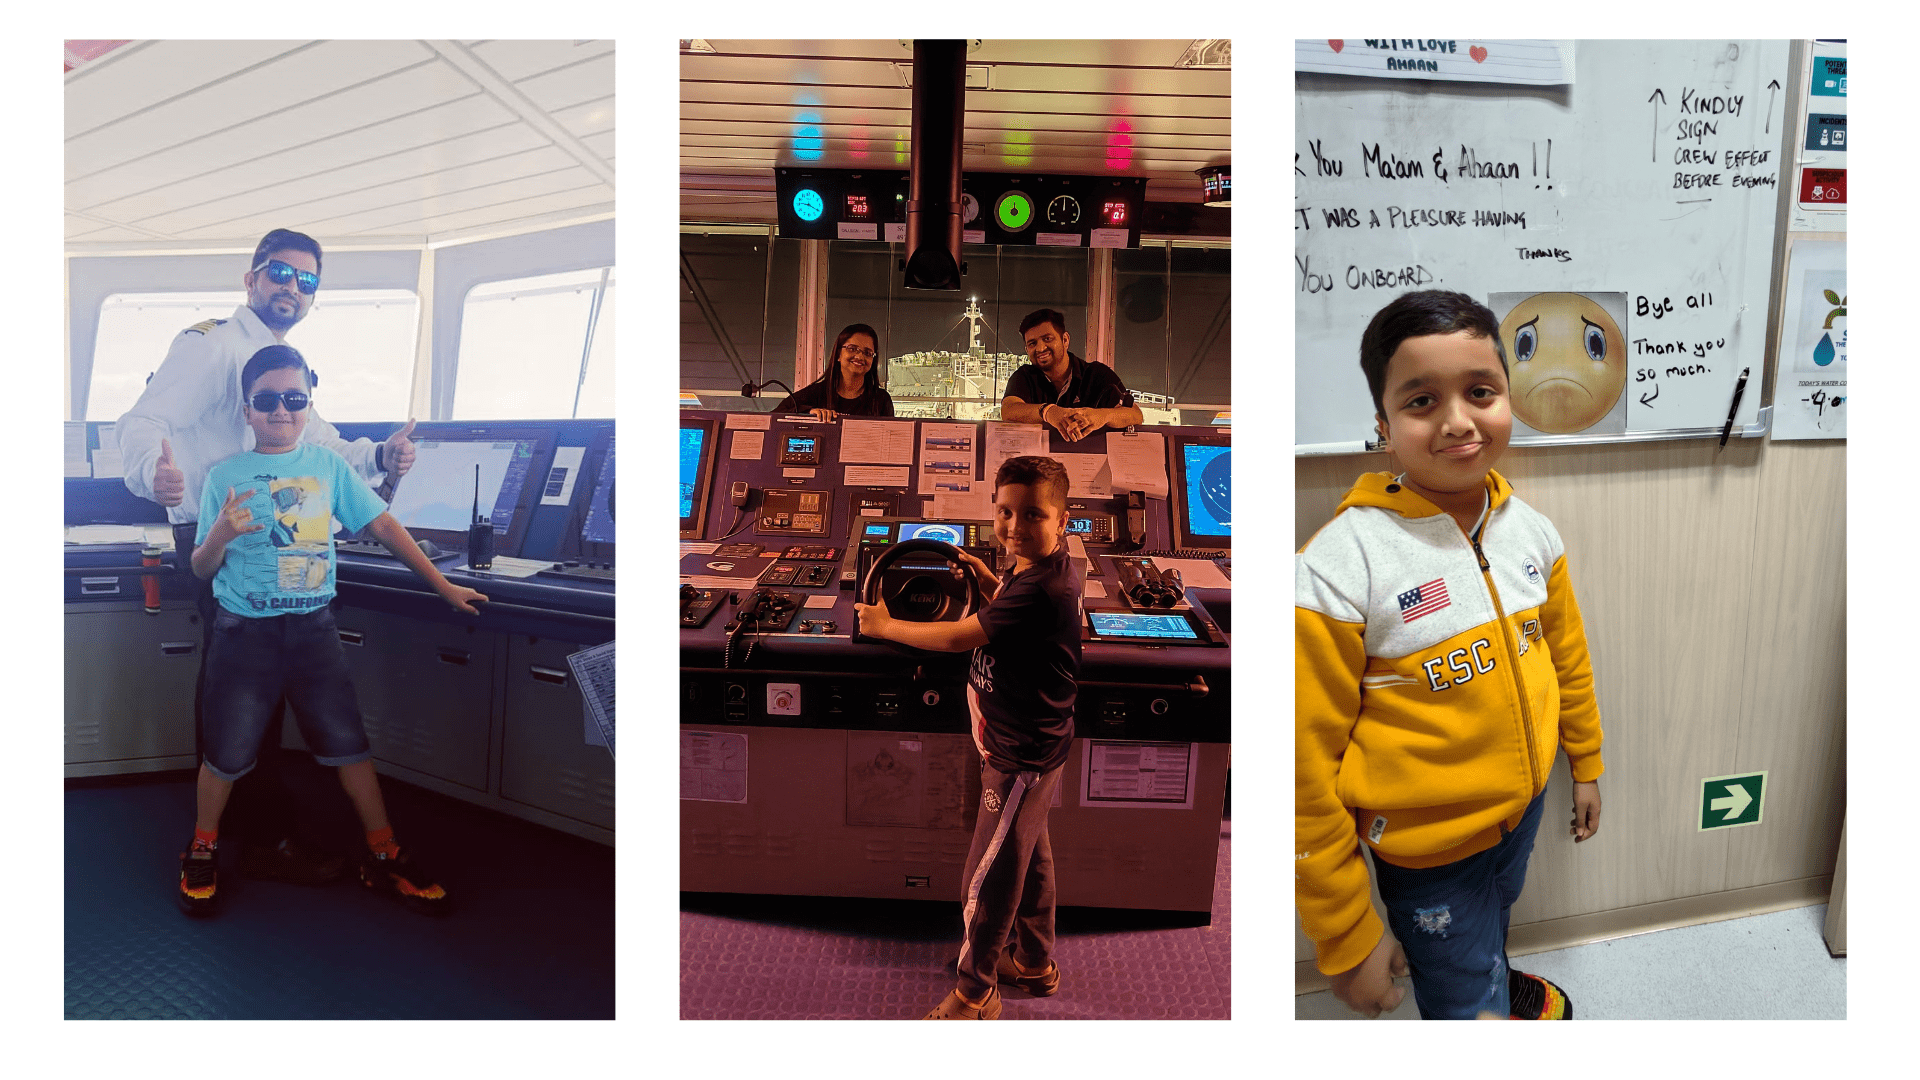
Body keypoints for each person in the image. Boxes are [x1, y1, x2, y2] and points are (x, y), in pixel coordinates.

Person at [1295, 290, 1605, 1021]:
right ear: (1382, 423)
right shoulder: (1339, 566)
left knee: (1487, 934)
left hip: (1520, 816)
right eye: (1422, 400)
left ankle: (1487, 976)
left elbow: (1570, 661)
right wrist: (1346, 940)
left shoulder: (1530, 530)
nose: (1459, 420)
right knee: (1462, 1002)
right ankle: (1476, 998)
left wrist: (1585, 764)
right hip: (1426, 855)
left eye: (1480, 392)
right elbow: (1302, 773)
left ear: (1507, 396)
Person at [118, 228, 420, 889]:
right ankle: (258, 840)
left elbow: (321, 444)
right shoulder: (212, 346)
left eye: (306, 280)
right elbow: (142, 423)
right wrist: (152, 473)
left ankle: (251, 827)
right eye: (280, 273)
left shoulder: (278, 362)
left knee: (263, 693)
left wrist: (378, 457)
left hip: (276, 536)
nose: (292, 287)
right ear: (251, 279)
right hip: (216, 529)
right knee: (240, 693)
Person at [177, 345, 487, 918]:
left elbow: (385, 525)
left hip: (313, 632)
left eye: (294, 399)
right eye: (267, 400)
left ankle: (384, 850)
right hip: (245, 635)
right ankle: (202, 846)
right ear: (247, 411)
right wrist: (218, 533)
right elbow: (200, 567)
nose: (280, 411)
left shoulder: (328, 466)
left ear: (308, 404)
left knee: (349, 748)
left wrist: (443, 588)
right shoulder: (225, 475)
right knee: (225, 753)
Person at [855, 456, 1081, 1020]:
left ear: (1064, 518)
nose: (1014, 527)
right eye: (1004, 512)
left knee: (986, 877)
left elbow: (961, 638)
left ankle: (975, 993)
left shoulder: (1038, 590)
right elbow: (1008, 604)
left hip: (1017, 756)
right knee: (1029, 858)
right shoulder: (1044, 570)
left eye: (1033, 514)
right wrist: (986, 579)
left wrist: (884, 626)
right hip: (1038, 748)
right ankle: (1034, 960)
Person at [1000, 308, 1143, 441]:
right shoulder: (1024, 376)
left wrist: (1102, 416)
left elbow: (1135, 414)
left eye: (1047, 339)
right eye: (1032, 343)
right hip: (1040, 463)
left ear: (1065, 340)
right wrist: (1048, 411)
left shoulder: (1096, 374)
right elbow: (1008, 410)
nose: (1040, 348)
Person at [774, 323, 895, 421]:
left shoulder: (881, 399)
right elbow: (775, 415)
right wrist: (808, 413)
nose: (860, 356)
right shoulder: (817, 393)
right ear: (838, 354)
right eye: (852, 349)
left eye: (867, 353)